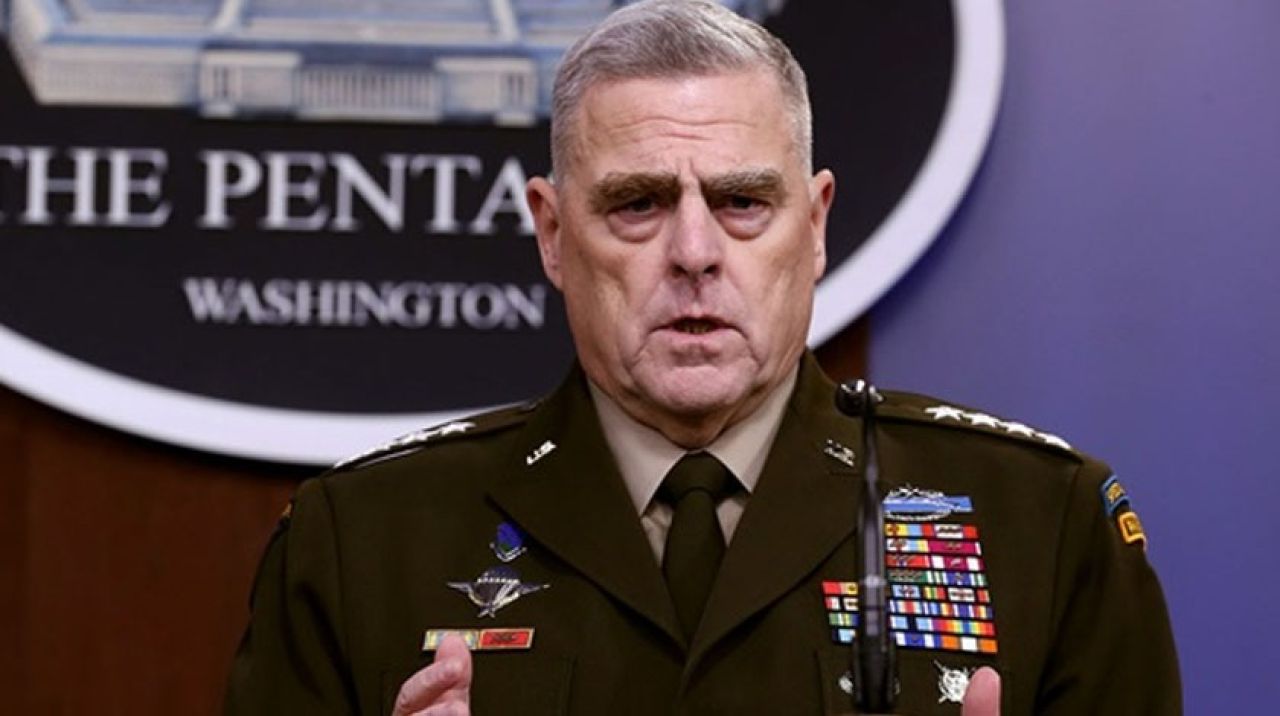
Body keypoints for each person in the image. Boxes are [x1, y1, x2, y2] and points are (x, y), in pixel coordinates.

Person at [224, 1, 1180, 714]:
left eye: (742, 202)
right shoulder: (362, 542)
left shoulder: (1041, 525)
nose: (693, 252)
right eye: (637, 203)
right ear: (552, 233)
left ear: (815, 226)